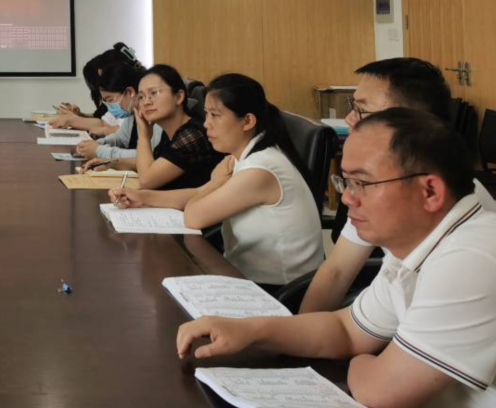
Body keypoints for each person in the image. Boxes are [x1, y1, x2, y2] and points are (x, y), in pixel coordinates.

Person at [176, 108, 496, 408]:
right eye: (346, 182)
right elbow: (345, 329)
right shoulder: (416, 246)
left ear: (430, 192)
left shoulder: (470, 257)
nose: (346, 198)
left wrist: (363, 361)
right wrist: (250, 330)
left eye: (362, 183)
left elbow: (379, 390)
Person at [300, 57, 496, 313]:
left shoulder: (460, 230)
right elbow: (337, 271)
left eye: (361, 109)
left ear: (409, 120)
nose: (349, 118)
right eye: (352, 106)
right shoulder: (379, 187)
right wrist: (300, 325)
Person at [110, 74, 323, 287]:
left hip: (274, 290)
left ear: (248, 121)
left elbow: (194, 216)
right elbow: (199, 193)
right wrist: (142, 197)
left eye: (215, 115)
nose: (206, 124)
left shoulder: (260, 169)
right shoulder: (243, 155)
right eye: (206, 114)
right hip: (243, 274)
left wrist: (214, 183)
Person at [105, 65, 222, 190]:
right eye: (141, 97)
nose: (146, 102)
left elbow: (146, 180)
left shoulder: (192, 135)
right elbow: (154, 163)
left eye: (154, 93)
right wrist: (111, 163)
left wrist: (143, 135)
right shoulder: (170, 132)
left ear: (178, 97)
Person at [76, 59, 150, 165]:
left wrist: (99, 150)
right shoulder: (132, 113)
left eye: (110, 100)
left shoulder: (153, 115)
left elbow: (145, 155)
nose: (110, 106)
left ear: (130, 92)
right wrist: (97, 143)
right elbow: (121, 138)